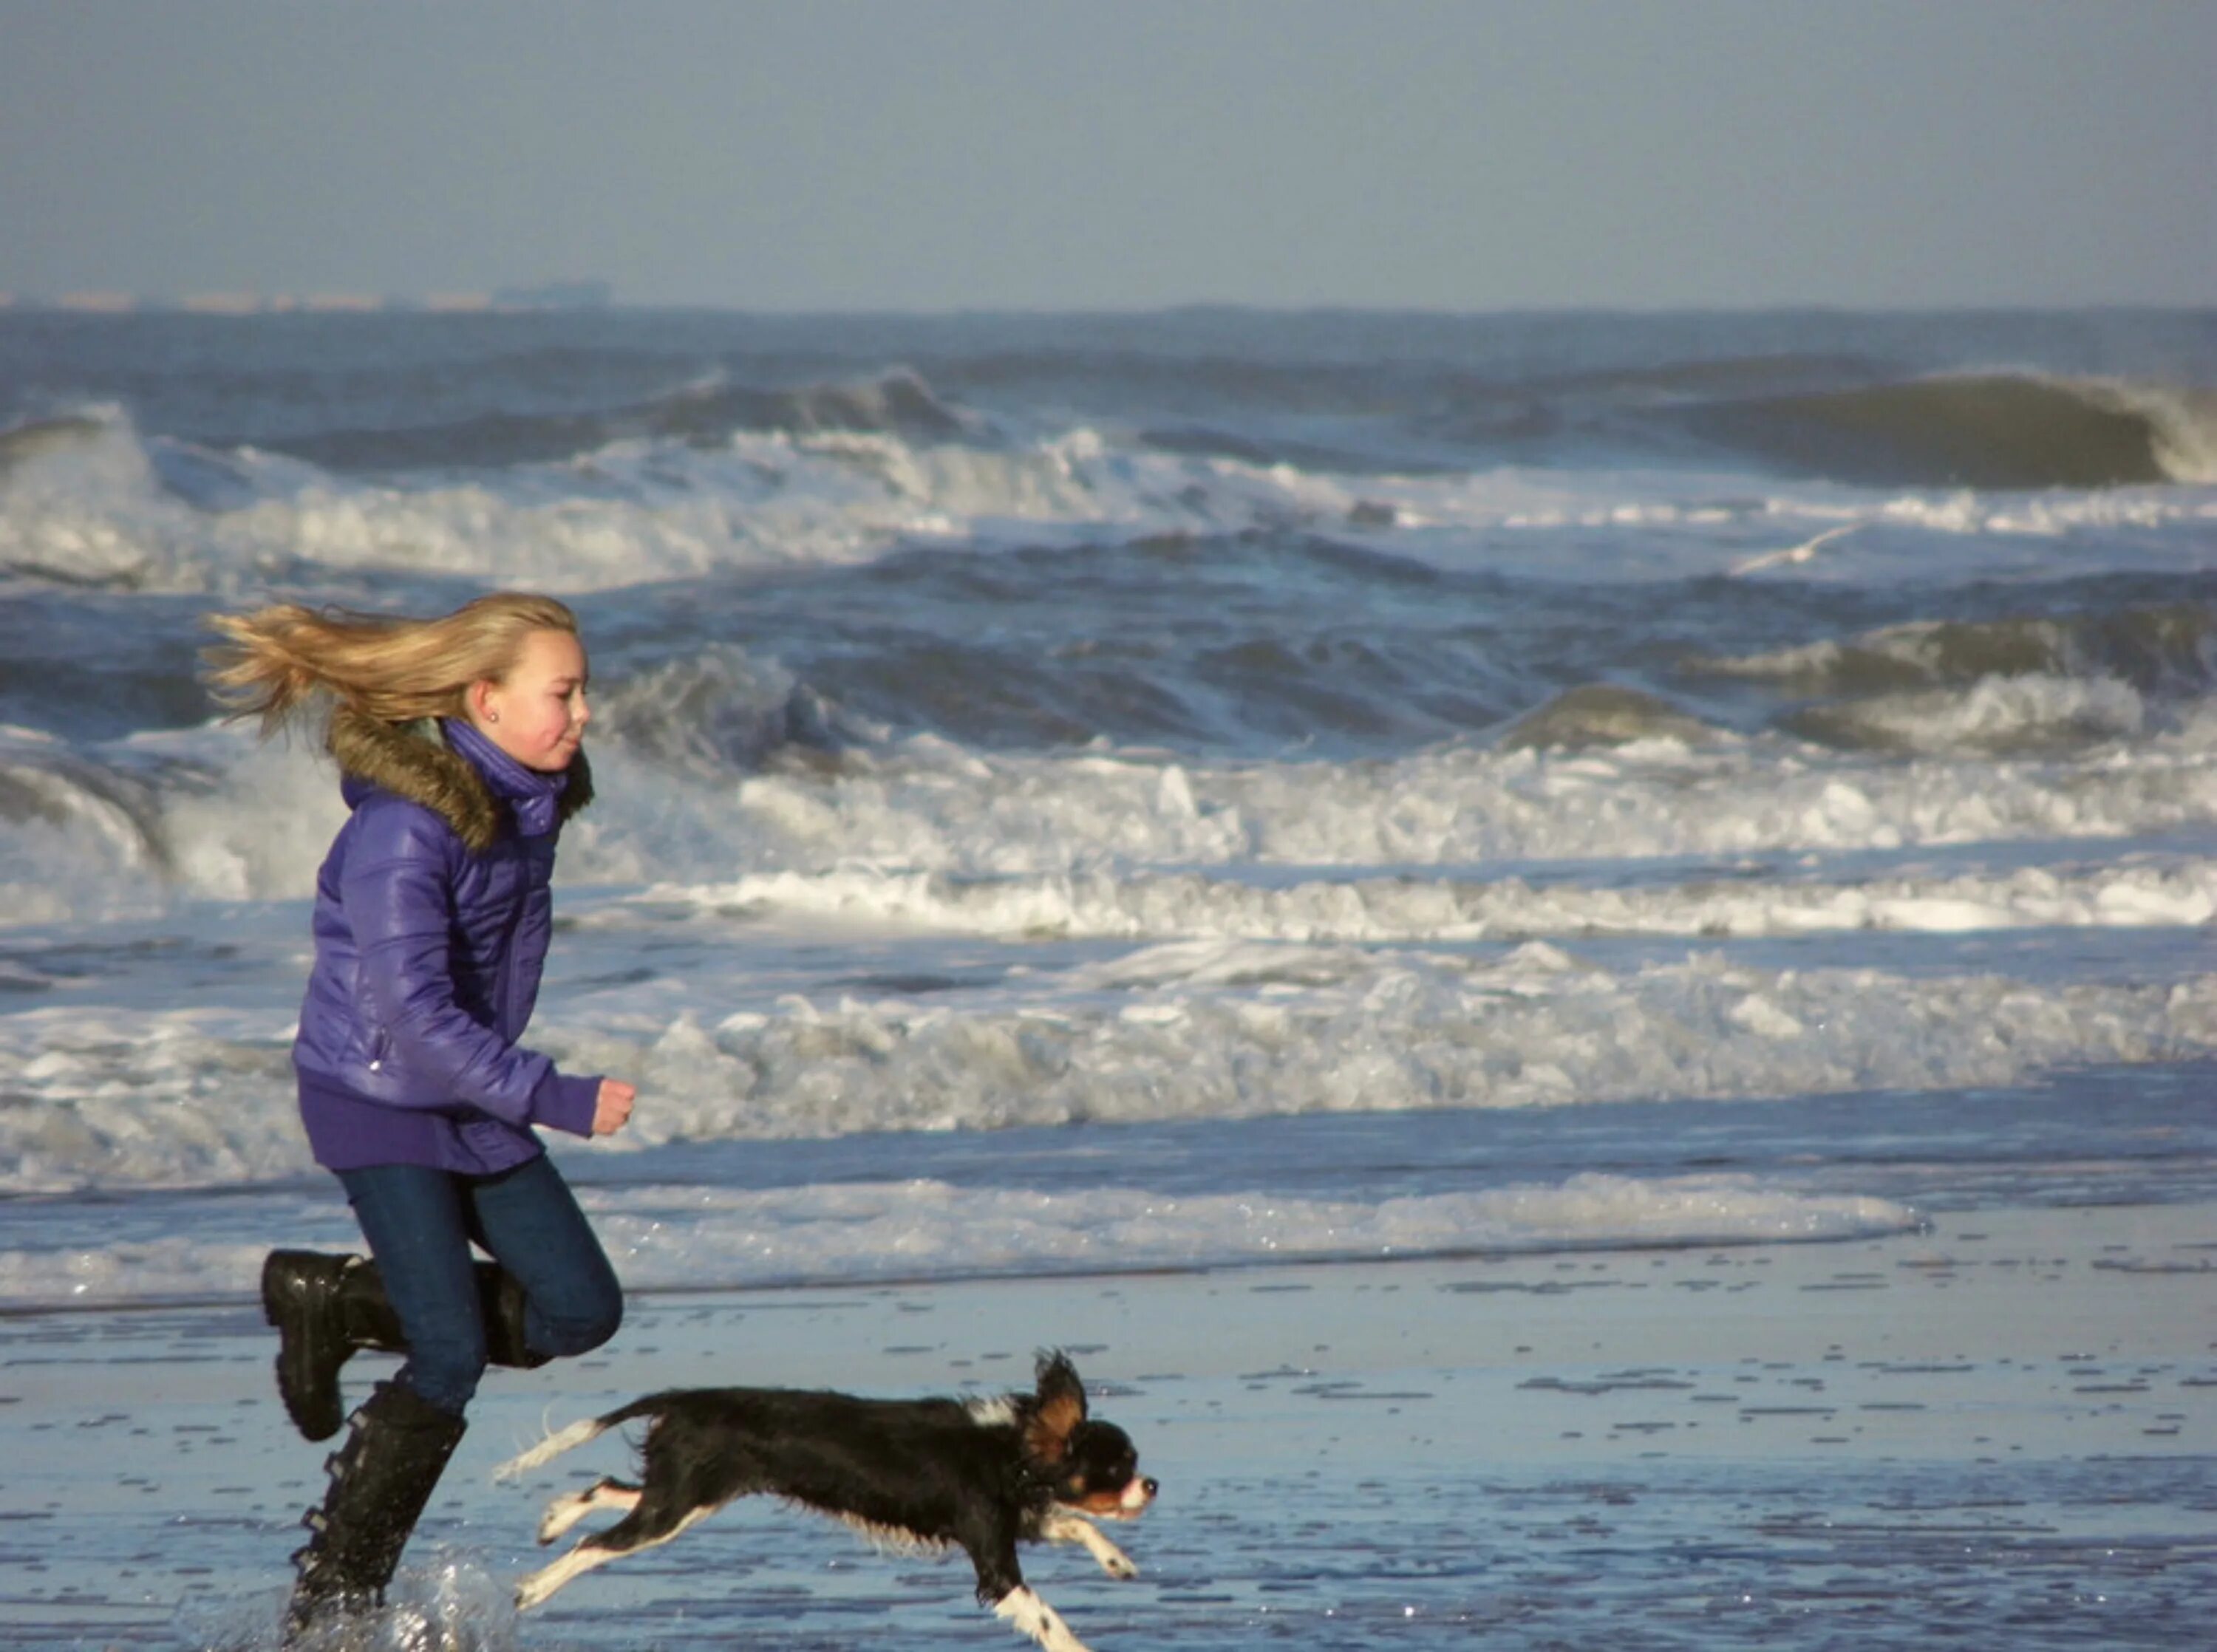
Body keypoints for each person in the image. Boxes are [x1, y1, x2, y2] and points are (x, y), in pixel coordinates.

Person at [204, 592, 636, 1639]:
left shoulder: (523, 803)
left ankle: (341, 1302)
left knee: (581, 1310)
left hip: (467, 1094)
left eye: (584, 691)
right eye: (562, 693)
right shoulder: (405, 829)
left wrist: (509, 1091)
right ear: (483, 700)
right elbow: (414, 1014)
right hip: (380, 1098)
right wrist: (555, 1096)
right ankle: (336, 1593)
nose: (582, 715)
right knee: (445, 1354)